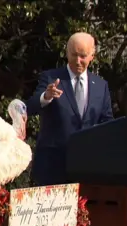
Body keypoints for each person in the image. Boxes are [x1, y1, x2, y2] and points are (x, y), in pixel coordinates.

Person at [25, 32, 114, 186]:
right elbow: (31, 107)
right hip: (53, 166)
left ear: (92, 55)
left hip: (87, 167)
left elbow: (107, 122)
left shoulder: (101, 86)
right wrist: (46, 96)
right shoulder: (51, 78)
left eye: (83, 56)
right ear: (67, 52)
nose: (78, 61)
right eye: (74, 55)